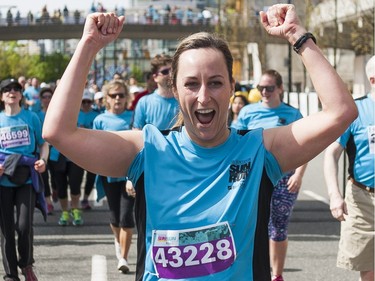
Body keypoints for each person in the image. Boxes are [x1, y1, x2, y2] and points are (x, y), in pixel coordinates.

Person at [43, 6, 357, 281]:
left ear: (233, 88)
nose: (204, 96)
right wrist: (88, 46)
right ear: (175, 90)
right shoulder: (147, 149)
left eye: (216, 83)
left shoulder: (259, 149)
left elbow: (340, 112)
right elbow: (58, 132)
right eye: (191, 84)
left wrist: (298, 37)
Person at [234, 69, 308, 281]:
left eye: (269, 88)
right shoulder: (248, 113)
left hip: (285, 179)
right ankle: (254, 272)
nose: (264, 92)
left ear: (280, 88)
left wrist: (299, 175)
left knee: (278, 227)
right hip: (252, 179)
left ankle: (277, 275)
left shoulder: (293, 114)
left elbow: (304, 148)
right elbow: (235, 145)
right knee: (252, 225)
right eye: (260, 88)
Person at [323, 55, 375, 281]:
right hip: (363, 199)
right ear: (373, 79)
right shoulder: (356, 111)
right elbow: (331, 154)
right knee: (368, 266)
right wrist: (335, 195)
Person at [0, 78, 49, 281]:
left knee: (24, 225)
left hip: (26, 177)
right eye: (7, 89)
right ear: (2, 96)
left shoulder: (31, 117)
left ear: (21, 94)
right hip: (3, 178)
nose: (12, 92)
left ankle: (26, 264)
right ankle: (11, 274)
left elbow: (43, 143)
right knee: (6, 230)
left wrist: (43, 161)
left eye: (16, 89)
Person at [93, 79, 135, 274]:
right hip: (108, 174)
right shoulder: (100, 120)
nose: (117, 99)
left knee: (127, 217)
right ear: (106, 99)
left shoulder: (133, 116)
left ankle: (123, 257)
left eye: (121, 95)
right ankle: (117, 240)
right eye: (113, 95)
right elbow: (94, 147)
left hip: (130, 174)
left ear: (127, 98)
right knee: (114, 216)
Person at [132, 54, 179, 130]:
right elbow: (137, 131)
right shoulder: (144, 102)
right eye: (165, 72)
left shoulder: (183, 99)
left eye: (172, 70)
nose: (170, 74)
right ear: (155, 77)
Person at [36, 87, 56, 215]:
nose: (47, 99)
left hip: (58, 151)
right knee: (44, 176)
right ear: (41, 99)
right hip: (42, 150)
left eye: (50, 97)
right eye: (45, 97)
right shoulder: (36, 115)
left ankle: (56, 190)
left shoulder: (58, 113)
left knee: (56, 177)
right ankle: (48, 201)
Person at [78, 91, 99, 210]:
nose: (86, 104)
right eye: (83, 101)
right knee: (78, 176)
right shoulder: (74, 114)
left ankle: (85, 198)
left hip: (93, 150)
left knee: (91, 177)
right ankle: (77, 196)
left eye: (88, 101)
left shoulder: (97, 115)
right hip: (78, 150)